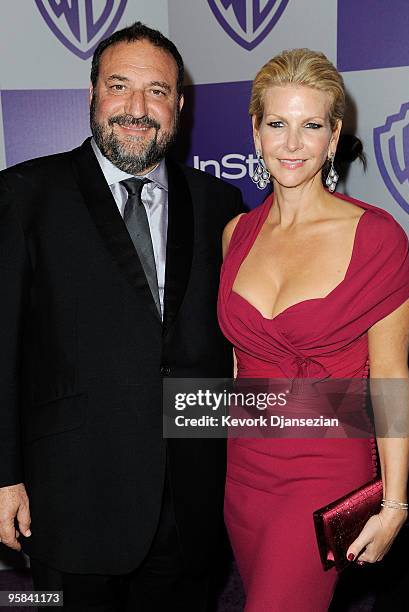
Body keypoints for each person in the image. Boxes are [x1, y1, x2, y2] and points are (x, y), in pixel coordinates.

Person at [0, 21, 244, 611]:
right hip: (69, 496)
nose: (137, 108)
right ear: (91, 96)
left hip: (190, 498)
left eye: (157, 91)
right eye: (120, 86)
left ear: (179, 106)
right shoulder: (24, 194)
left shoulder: (219, 203)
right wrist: (3, 476)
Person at [218, 48, 409, 611]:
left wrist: (395, 502)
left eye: (311, 126)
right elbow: (238, 365)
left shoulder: (377, 239)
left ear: (333, 138)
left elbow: (391, 377)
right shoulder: (237, 234)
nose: (293, 144)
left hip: (327, 468)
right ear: (255, 133)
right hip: (244, 469)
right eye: (278, 124)